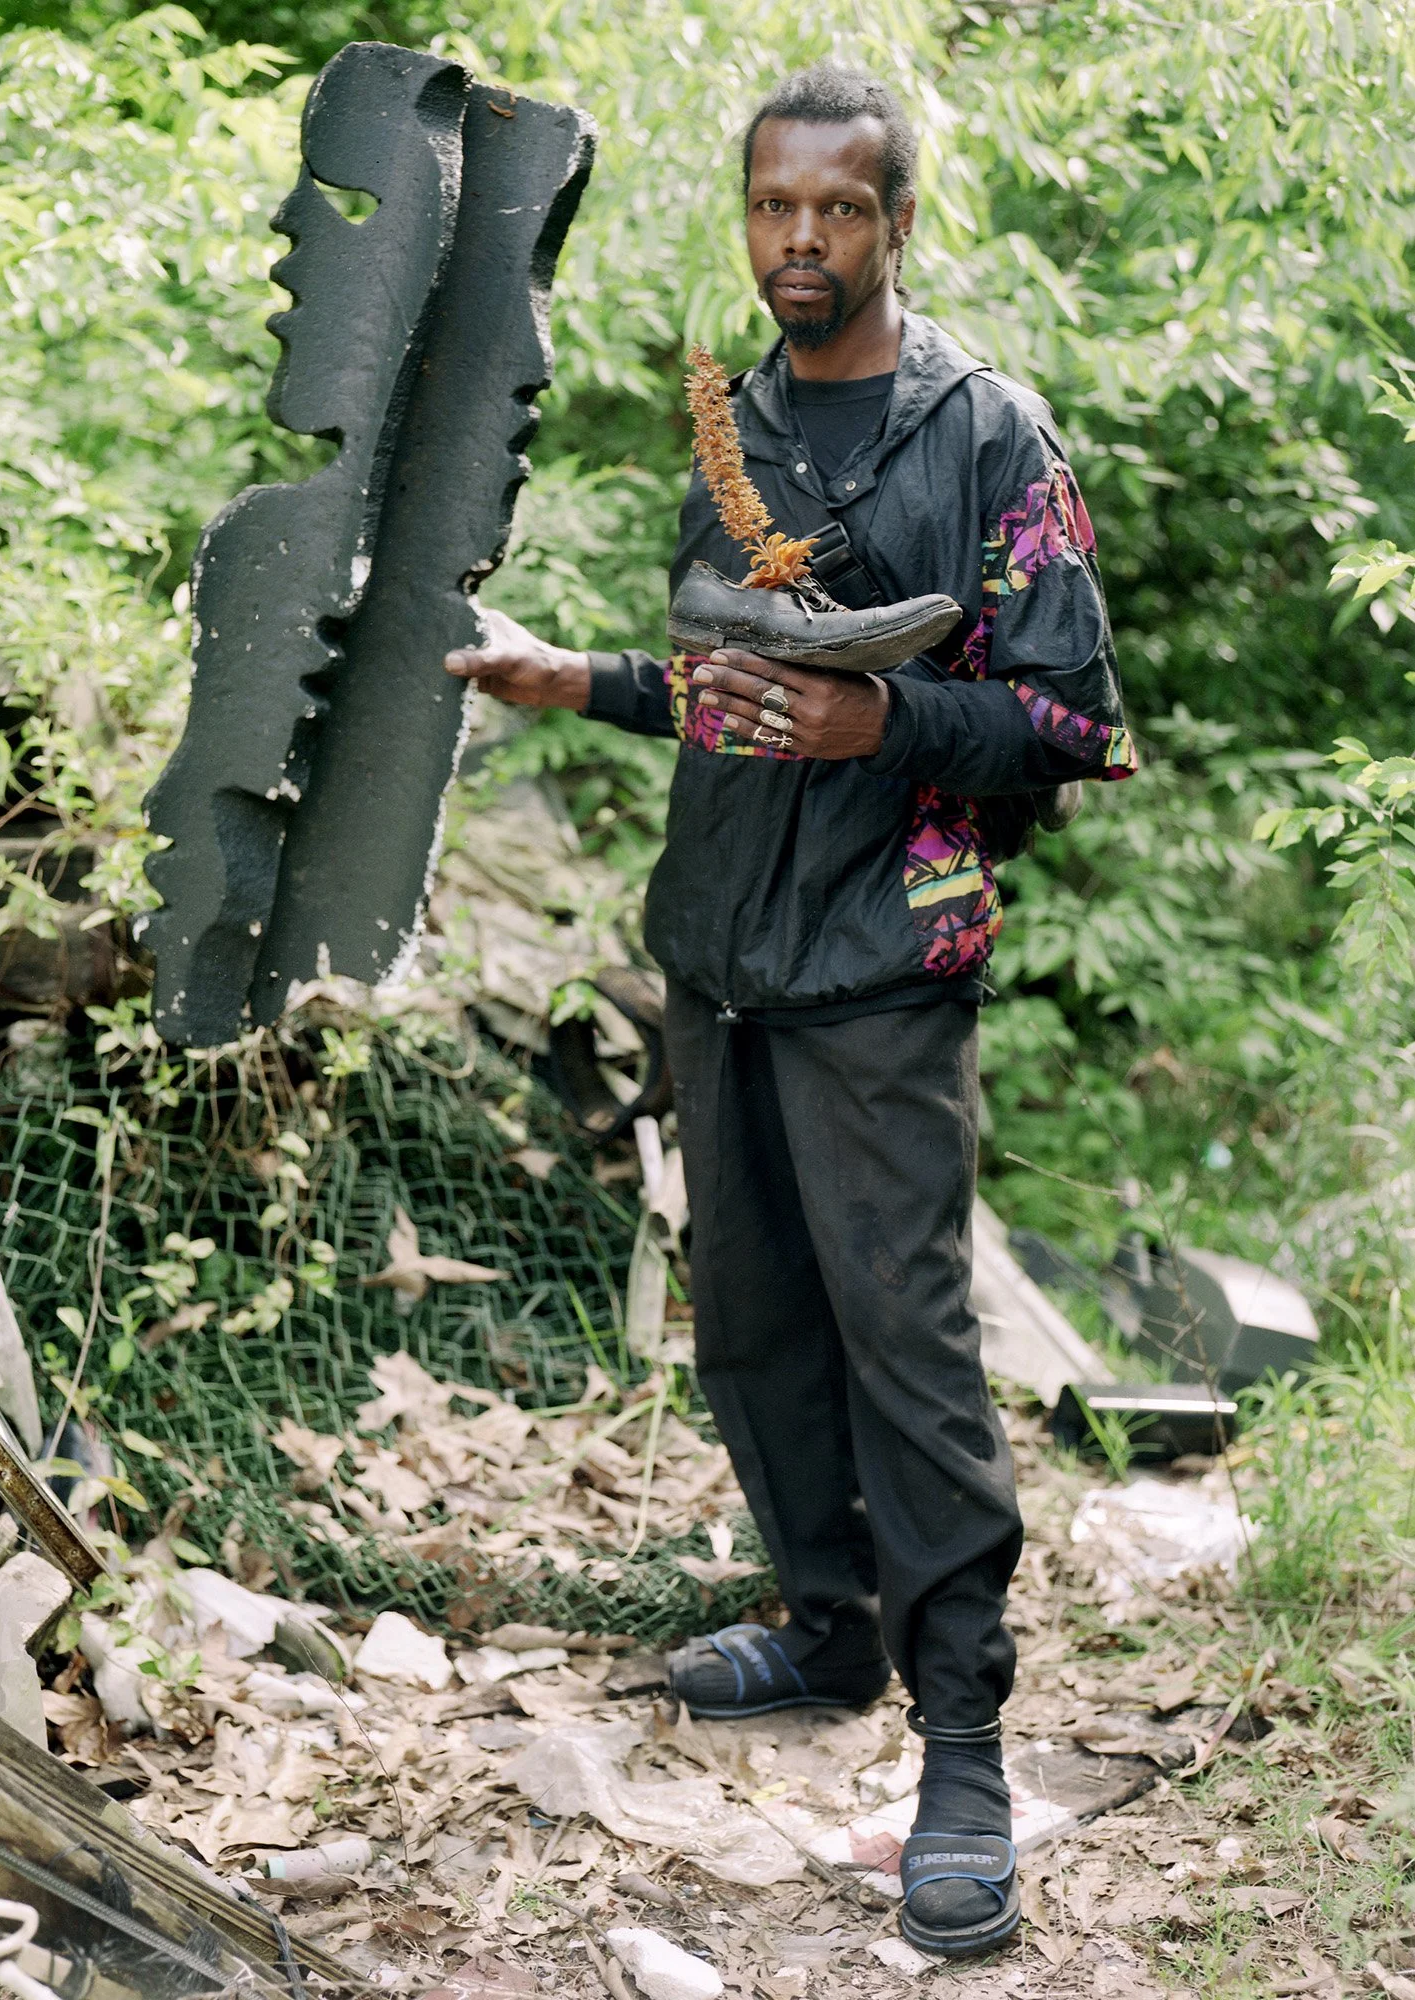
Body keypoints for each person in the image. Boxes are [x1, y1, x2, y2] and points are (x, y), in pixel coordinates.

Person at [444, 61, 1133, 1958]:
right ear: (746, 218)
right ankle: (828, 1630)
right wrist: (569, 680)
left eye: (839, 209)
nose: (802, 241)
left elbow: (1078, 723)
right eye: (774, 209)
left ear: (897, 221)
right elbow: (725, 682)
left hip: (880, 965)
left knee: (906, 1344)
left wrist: (886, 716)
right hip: (721, 954)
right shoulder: (735, 421)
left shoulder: (989, 436)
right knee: (753, 1317)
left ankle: (969, 1749)